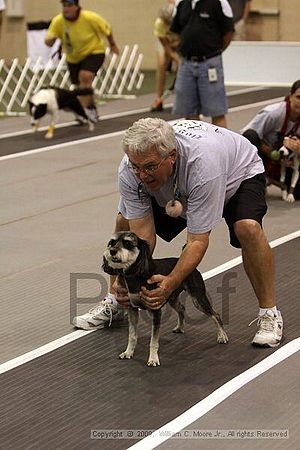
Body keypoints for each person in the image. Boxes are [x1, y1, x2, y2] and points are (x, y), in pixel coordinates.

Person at [73, 117, 283, 348]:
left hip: (238, 174)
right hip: (174, 184)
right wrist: (127, 282)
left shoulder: (204, 165)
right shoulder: (130, 168)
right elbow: (142, 238)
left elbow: (196, 241)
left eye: (149, 166)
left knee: (247, 228)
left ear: (171, 156)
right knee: (124, 221)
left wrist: (170, 284)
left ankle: (269, 313)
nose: (142, 174)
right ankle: (116, 299)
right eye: (137, 167)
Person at [45, 0, 119, 122]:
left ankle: (85, 110)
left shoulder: (90, 17)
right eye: (64, 6)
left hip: (94, 51)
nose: (66, 9)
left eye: (69, 6)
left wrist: (113, 45)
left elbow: (107, 29)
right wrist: (51, 39)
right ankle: (89, 108)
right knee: (79, 85)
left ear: (76, 7)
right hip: (73, 57)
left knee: (84, 76)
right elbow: (47, 42)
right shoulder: (58, 21)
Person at [169, 0, 235, 128]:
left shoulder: (219, 2)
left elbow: (229, 32)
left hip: (210, 63)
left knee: (217, 111)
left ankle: (222, 146)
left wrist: (215, 51)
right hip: (186, 63)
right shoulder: (181, 3)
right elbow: (176, 30)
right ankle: (196, 145)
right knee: (189, 112)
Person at [241, 79, 300, 199]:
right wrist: (272, 153)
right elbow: (245, 137)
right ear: (290, 96)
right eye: (299, 97)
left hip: (286, 162)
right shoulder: (274, 113)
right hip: (263, 157)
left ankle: (274, 180)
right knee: (250, 136)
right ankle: (254, 180)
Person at [150, 0, 181, 112]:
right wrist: (173, 56)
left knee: (182, 67)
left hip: (180, 43)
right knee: (162, 63)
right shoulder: (159, 23)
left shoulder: (181, 20)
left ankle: (182, 98)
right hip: (166, 44)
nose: (168, 24)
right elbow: (165, 46)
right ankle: (159, 98)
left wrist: (179, 60)